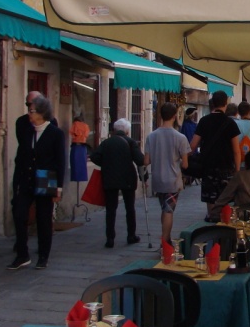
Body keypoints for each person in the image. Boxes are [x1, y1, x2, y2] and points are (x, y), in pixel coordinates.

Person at [10, 95, 65, 270]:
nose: (29, 114)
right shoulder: (27, 131)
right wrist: (17, 180)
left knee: (43, 218)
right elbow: (21, 156)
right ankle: (22, 254)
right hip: (26, 177)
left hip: (46, 177)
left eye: (32, 110)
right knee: (19, 214)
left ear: (42, 112)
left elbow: (60, 161)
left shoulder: (55, 133)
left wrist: (59, 187)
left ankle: (43, 255)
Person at [90, 118, 145, 248]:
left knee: (110, 209)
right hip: (127, 179)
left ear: (115, 130)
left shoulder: (107, 142)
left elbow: (94, 156)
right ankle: (131, 235)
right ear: (126, 130)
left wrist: (105, 164)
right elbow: (140, 160)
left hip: (110, 177)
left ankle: (110, 238)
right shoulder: (131, 142)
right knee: (129, 208)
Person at [144, 102, 192, 245]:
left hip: (158, 179)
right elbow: (185, 164)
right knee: (169, 210)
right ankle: (165, 241)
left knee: (164, 209)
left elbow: (146, 160)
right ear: (174, 116)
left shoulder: (151, 136)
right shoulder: (180, 137)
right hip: (172, 180)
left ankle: (166, 237)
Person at [191, 90, 241, 222]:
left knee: (211, 200)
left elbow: (193, 145)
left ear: (213, 103)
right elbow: (236, 150)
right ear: (226, 103)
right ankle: (224, 227)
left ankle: (213, 227)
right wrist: (237, 170)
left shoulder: (204, 121)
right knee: (226, 199)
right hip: (226, 168)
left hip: (208, 168)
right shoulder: (230, 123)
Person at [68, 113, 90, 184]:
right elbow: (86, 135)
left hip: (76, 147)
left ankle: (76, 177)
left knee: (75, 167)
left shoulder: (75, 125)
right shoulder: (86, 126)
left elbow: (72, 133)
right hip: (83, 148)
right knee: (82, 167)